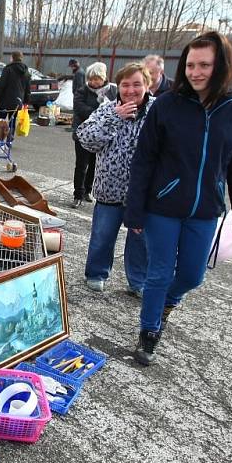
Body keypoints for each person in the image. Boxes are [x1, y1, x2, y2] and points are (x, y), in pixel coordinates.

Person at [124, 31, 232, 366]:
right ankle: (149, 331)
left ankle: (167, 302)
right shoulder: (167, 105)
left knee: (193, 275)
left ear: (221, 66)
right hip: (162, 207)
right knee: (159, 272)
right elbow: (144, 159)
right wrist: (134, 209)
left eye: (205, 65)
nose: (196, 72)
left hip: (205, 209)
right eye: (191, 64)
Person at [76, 62, 154, 295]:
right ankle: (96, 272)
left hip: (143, 194)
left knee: (141, 242)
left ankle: (138, 281)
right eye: (125, 85)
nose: (131, 90)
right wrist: (114, 117)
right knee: (103, 235)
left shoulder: (158, 111)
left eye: (137, 84)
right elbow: (86, 139)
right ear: (117, 87)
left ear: (147, 85)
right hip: (109, 189)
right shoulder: (107, 109)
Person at [71, 62, 117, 208]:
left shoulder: (111, 91)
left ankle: (87, 191)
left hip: (102, 135)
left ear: (103, 78)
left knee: (94, 164)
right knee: (81, 165)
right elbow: (80, 108)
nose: (93, 82)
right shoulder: (82, 91)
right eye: (91, 78)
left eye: (97, 78)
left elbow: (115, 108)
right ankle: (77, 194)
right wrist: (100, 112)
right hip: (83, 133)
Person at [0, 51, 31, 120]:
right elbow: (28, 89)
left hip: (5, 101)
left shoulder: (8, 69)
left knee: (0, 123)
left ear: (12, 58)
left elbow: (1, 84)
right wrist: (26, 102)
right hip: (18, 102)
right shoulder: (26, 71)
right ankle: (11, 131)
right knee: (12, 123)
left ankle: (2, 130)